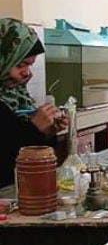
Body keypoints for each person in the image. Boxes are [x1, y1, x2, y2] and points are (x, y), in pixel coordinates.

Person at [0, 18, 68, 188]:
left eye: (30, 66)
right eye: (21, 65)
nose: (26, 73)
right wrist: (34, 127)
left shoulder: (16, 96)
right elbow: (8, 154)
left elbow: (29, 147)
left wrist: (48, 132)